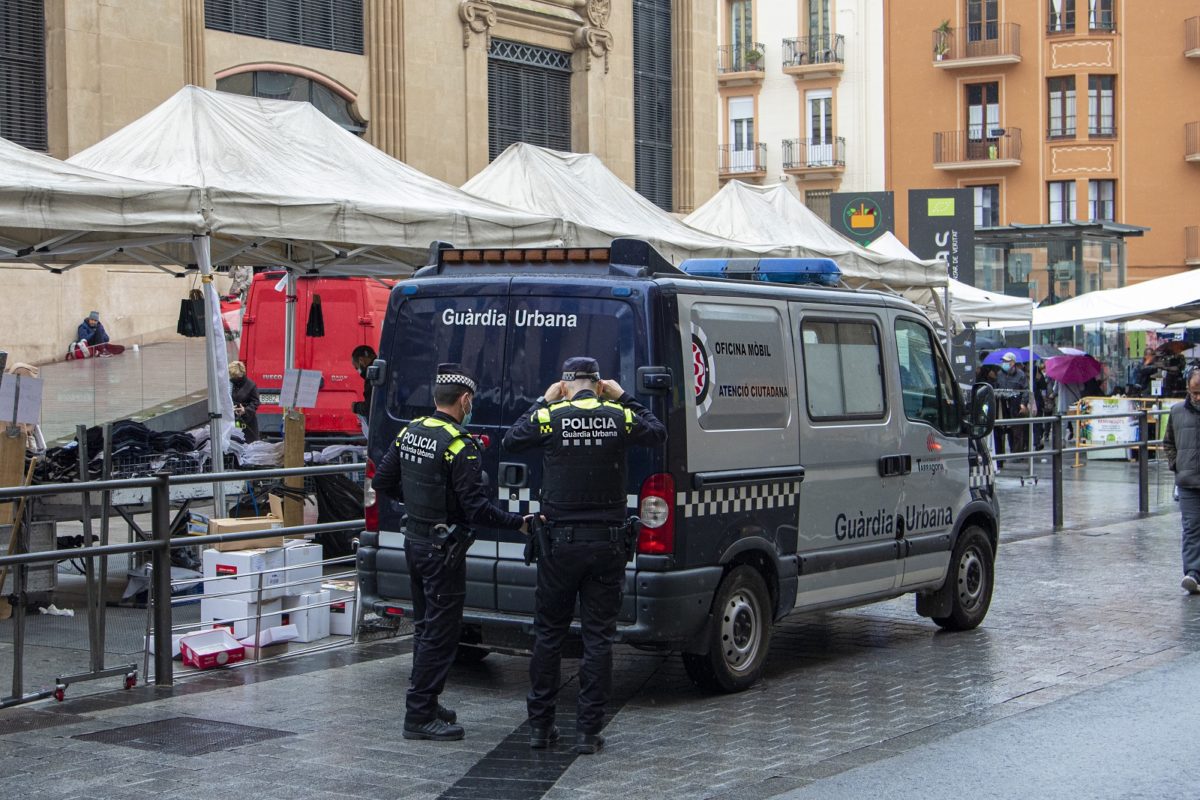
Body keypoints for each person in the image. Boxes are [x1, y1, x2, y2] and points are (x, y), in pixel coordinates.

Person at [503, 357, 666, 755]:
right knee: (598, 640)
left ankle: (541, 728)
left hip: (559, 545)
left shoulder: (550, 416)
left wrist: (542, 400)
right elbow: (657, 433)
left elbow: (512, 439)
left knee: (548, 636)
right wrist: (625, 395)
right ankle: (587, 733)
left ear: (564, 384)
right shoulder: (617, 415)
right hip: (606, 546)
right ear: (598, 383)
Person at [373, 363, 529, 742]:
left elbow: (382, 481)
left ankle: (427, 702)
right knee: (440, 636)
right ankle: (419, 715)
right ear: (465, 400)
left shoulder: (410, 432)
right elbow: (477, 510)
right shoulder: (460, 445)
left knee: (425, 628)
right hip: (443, 551)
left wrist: (418, 506)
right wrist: (518, 524)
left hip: (416, 542)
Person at [1163, 369, 1200, 594]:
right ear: (1187, 388)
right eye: (1195, 392)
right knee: (1191, 528)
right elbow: (1168, 442)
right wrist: (1176, 464)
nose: (1198, 397)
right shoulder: (1177, 412)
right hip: (1187, 481)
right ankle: (1193, 574)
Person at [994, 352, 1029, 466]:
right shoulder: (999, 374)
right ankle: (1001, 457)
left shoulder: (1021, 375)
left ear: (1013, 363)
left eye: (1007, 361)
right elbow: (996, 388)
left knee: (1017, 431)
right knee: (1001, 431)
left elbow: (1025, 391)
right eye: (1003, 361)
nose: (1004, 363)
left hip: (1016, 404)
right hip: (1002, 405)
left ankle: (1016, 454)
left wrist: (1023, 404)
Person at [228, 360, 260, 443]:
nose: (233, 378)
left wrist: (245, 410)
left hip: (248, 422)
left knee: (249, 443)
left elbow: (255, 402)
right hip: (233, 419)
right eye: (232, 376)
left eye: (235, 376)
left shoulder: (250, 385)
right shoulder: (230, 384)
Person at [350, 345, 377, 436]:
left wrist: (356, 407)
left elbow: (371, 407)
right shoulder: (383, 367)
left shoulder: (373, 375)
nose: (358, 370)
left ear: (361, 360)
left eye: (356, 367)